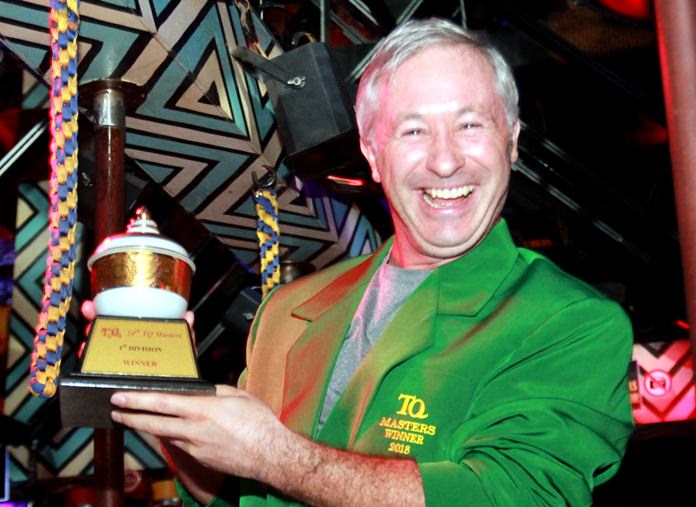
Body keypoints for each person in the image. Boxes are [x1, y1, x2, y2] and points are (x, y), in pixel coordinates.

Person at [106, 18, 634, 506]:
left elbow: (512, 495)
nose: (445, 159)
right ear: (372, 153)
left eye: (471, 125)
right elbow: (233, 492)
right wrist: (163, 389)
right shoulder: (284, 311)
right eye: (412, 130)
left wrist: (275, 455)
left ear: (512, 142)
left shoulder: (574, 322)